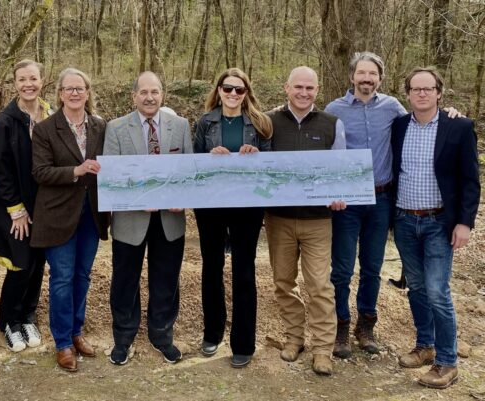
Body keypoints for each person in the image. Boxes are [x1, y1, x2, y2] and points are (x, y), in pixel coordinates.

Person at [325, 52, 463, 358]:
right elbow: (320, 147)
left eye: (372, 74)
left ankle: (366, 326)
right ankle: (341, 328)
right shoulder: (333, 109)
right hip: (346, 203)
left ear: (380, 78)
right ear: (352, 77)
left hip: (383, 199)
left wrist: (450, 112)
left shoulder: (392, 108)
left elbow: (423, 117)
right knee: (343, 269)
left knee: (372, 267)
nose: (366, 79)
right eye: (361, 73)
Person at [391, 67, 479, 389]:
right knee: (415, 287)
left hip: (439, 222)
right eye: (416, 89)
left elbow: (471, 181)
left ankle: (448, 362)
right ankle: (425, 345)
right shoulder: (399, 126)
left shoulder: (459, 127)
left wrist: (465, 222)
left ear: (439, 92)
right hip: (403, 220)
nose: (422, 94)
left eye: (428, 89)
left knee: (437, 292)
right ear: (408, 94)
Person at [104, 71, 192, 366]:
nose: (150, 97)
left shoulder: (180, 126)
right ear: (134, 96)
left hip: (170, 220)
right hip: (131, 219)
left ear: (162, 94)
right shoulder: (116, 128)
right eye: (143, 92)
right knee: (125, 280)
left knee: (166, 279)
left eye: (155, 92)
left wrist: (182, 199)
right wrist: (137, 201)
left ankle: (162, 334)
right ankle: (124, 337)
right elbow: (113, 177)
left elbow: (188, 171)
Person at [265, 66, 346, 376]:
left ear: (317, 89)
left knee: (319, 285)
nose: (303, 93)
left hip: (318, 220)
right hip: (279, 219)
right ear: (287, 87)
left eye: (309, 88)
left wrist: (341, 193)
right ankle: (294, 339)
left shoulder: (331, 124)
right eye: (298, 87)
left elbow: (342, 168)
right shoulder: (269, 122)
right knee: (283, 283)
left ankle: (323, 349)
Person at [192, 68, 272, 368]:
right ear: (219, 90)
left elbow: (271, 164)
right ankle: (212, 333)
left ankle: (243, 343)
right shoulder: (205, 122)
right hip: (210, 203)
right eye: (228, 89)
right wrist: (209, 157)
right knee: (211, 266)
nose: (233, 94)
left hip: (247, 205)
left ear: (247, 92)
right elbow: (194, 164)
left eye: (239, 90)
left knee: (244, 270)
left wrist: (256, 155)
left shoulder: (260, 123)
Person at [30, 68, 108, 372]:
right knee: (62, 279)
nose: (75, 93)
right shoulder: (46, 129)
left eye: (80, 88)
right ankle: (62, 342)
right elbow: (40, 172)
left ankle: (77, 333)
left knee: (83, 277)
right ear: (60, 93)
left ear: (87, 92)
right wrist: (76, 171)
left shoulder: (102, 126)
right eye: (69, 89)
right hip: (58, 214)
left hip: (93, 214)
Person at [0, 59, 52, 352]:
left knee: (38, 264)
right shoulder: (5, 120)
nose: (28, 84)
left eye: (33, 78)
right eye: (22, 79)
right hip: (16, 210)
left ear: (42, 80)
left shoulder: (50, 114)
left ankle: (28, 316)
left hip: (45, 207)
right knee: (20, 265)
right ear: (15, 84)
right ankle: (8, 322)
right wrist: (17, 209)